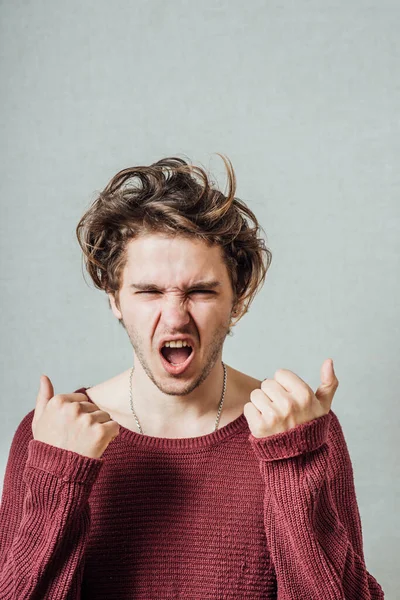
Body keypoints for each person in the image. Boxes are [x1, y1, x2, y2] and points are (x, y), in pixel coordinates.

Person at [0, 155, 384, 599]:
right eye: (148, 292)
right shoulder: (49, 436)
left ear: (238, 299)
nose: (175, 317)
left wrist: (293, 462)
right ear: (115, 300)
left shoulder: (300, 431)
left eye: (200, 291)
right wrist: (59, 477)